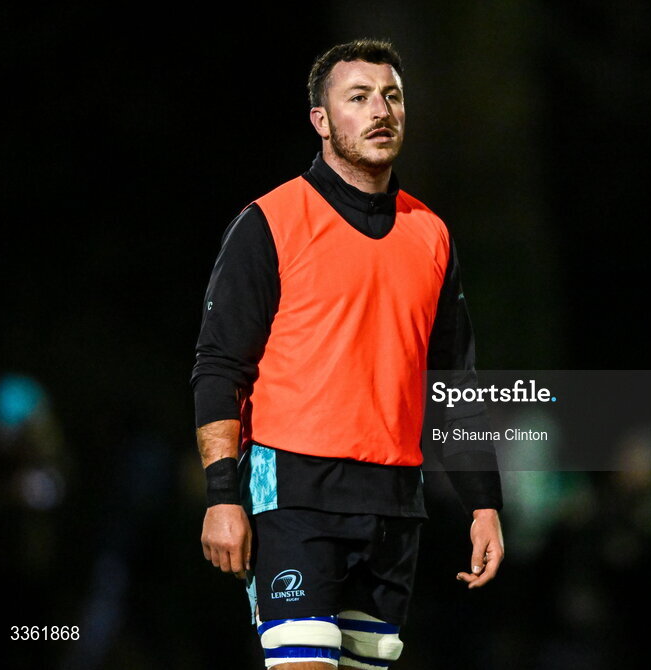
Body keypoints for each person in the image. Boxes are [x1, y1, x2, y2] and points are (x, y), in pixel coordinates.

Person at [191, 39, 504, 670]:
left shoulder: (431, 233)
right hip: (294, 496)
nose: (379, 110)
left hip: (394, 503)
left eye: (391, 96)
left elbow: (452, 382)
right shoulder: (271, 221)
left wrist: (484, 502)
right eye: (357, 98)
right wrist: (222, 495)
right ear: (322, 120)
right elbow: (219, 367)